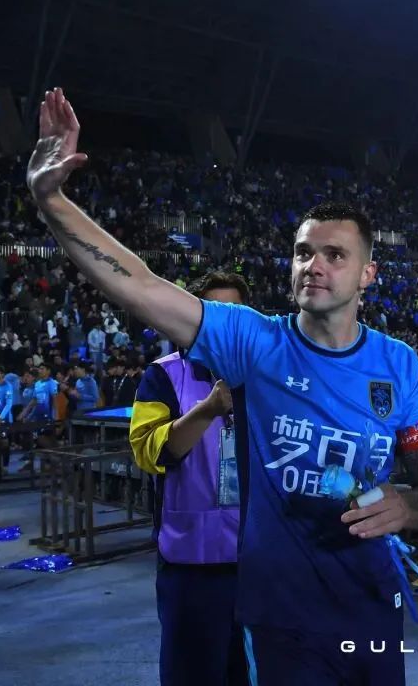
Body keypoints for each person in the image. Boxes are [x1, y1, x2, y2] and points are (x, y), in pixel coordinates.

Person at [26, 88, 418, 686]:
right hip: (281, 613)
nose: (314, 265)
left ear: (367, 274)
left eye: (335, 255)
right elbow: (140, 286)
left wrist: (408, 507)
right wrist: (51, 200)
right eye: (303, 253)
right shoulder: (254, 342)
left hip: (372, 601)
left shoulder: (400, 365)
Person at [130, 271, 252, 686]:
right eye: (213, 313)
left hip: (257, 561)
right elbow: (151, 453)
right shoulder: (162, 376)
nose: (224, 324)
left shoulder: (265, 377)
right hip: (191, 566)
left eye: (234, 314)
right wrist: (208, 409)